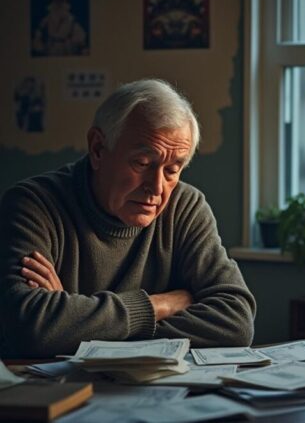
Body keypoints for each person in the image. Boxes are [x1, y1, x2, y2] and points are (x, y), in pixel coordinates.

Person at [0, 79, 256, 358]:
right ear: (98, 148)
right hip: (53, 394)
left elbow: (236, 322)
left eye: (172, 170)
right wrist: (159, 306)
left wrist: (75, 324)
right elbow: (31, 329)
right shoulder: (32, 205)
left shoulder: (186, 207)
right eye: (142, 164)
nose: (157, 188)